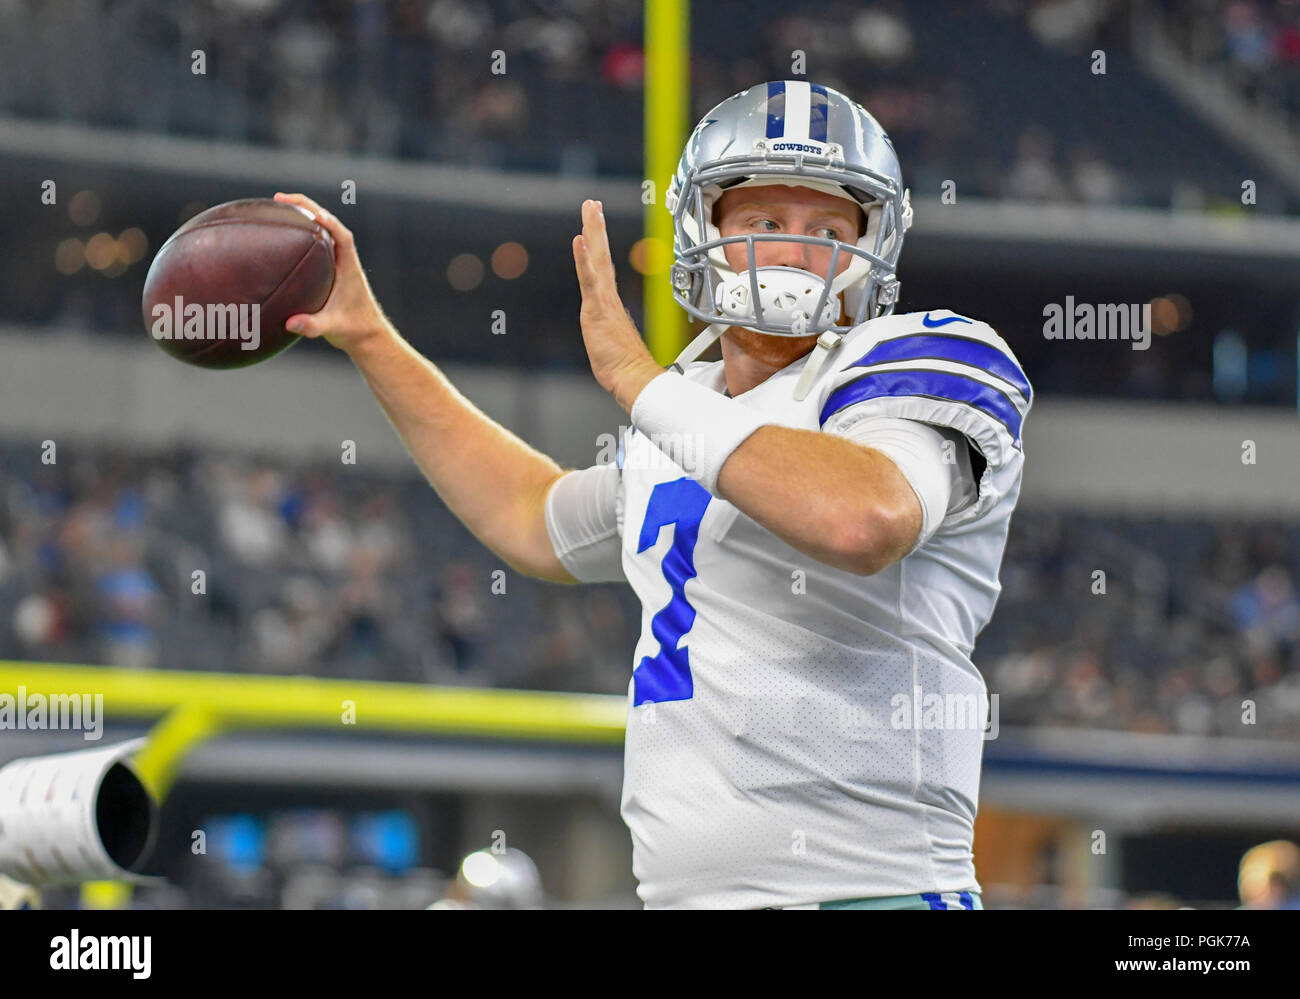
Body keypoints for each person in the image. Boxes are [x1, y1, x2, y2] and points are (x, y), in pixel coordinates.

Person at [274, 78, 1031, 910]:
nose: (792, 248)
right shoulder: (684, 417)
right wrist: (370, 337)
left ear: (870, 246)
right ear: (705, 227)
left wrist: (639, 382)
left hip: (867, 893)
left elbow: (864, 518)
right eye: (764, 221)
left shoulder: (914, 359)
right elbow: (531, 516)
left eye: (826, 228)